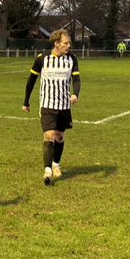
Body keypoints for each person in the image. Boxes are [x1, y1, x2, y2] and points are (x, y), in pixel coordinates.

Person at [22, 29, 80, 186]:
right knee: (49, 135)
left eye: (69, 43)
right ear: (56, 43)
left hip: (64, 106)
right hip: (47, 105)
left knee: (60, 137)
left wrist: (76, 94)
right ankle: (47, 171)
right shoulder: (42, 59)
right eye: (66, 43)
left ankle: (56, 164)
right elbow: (31, 80)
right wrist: (26, 101)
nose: (69, 45)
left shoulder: (72, 59)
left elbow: (76, 80)